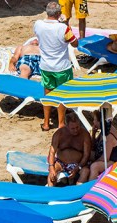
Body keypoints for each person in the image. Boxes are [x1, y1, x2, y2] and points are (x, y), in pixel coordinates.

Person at [34, 2, 78, 131]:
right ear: (59, 14)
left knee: (47, 94)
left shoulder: (38, 24)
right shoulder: (63, 28)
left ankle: (46, 123)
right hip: (62, 67)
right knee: (62, 95)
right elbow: (75, 43)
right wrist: (64, 24)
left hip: (46, 65)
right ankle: (61, 123)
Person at [48, 111, 92, 186]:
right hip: (61, 163)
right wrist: (51, 168)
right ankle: (50, 193)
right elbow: (52, 152)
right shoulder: (59, 134)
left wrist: (78, 167)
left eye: (77, 127)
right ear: (66, 126)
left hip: (79, 164)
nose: (76, 130)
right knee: (52, 173)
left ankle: (78, 191)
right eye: (72, 128)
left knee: (85, 171)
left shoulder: (85, 135)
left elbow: (86, 155)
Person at [87, 112, 117, 180]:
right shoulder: (104, 130)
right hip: (104, 158)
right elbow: (94, 147)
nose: (93, 122)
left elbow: (105, 158)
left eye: (95, 120)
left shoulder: (109, 135)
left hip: (114, 162)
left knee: (95, 166)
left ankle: (91, 186)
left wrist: (90, 163)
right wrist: (93, 134)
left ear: (100, 121)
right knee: (86, 153)